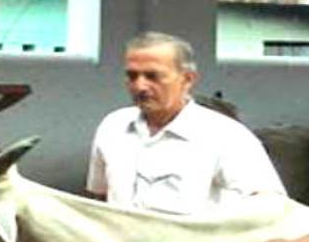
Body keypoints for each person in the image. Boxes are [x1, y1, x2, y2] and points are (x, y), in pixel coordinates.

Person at [86, 31, 286, 215]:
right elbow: (99, 196)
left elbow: (269, 205)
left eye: (153, 76)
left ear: (187, 79)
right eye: (132, 76)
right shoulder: (113, 126)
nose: (140, 86)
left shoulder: (226, 135)